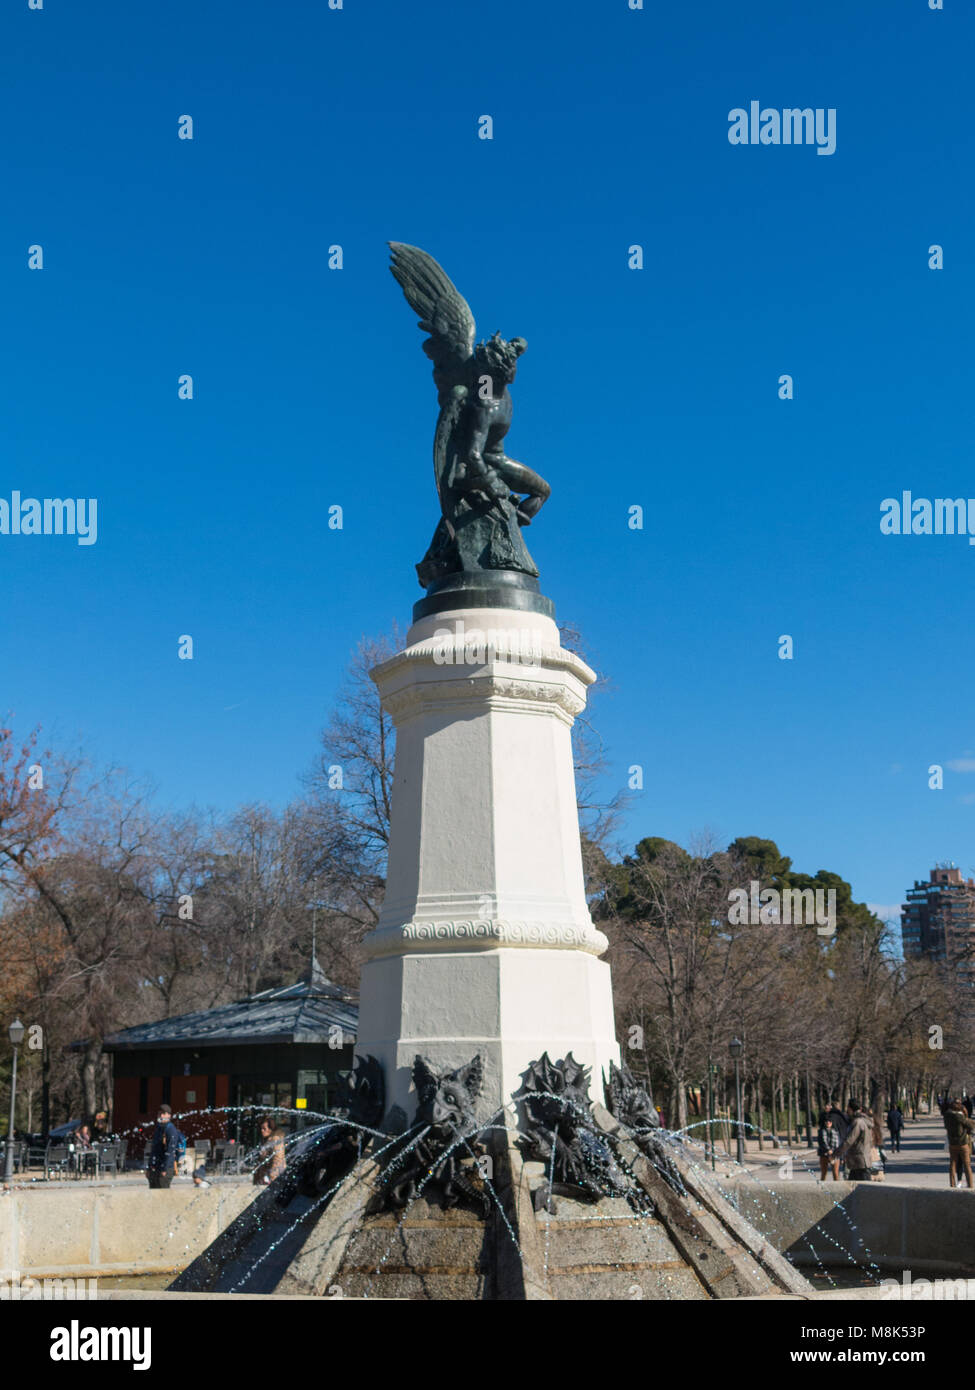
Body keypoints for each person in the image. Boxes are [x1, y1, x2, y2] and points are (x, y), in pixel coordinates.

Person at [146, 1104, 180, 1189]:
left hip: (165, 1168)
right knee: (153, 1193)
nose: (161, 1116)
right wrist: (149, 1167)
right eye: (159, 1114)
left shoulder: (170, 1129)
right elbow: (154, 1149)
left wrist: (165, 1169)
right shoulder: (159, 1128)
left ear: (169, 1115)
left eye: (163, 1114)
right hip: (155, 1168)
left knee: (163, 1195)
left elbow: (170, 1151)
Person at [837, 1101, 873, 1181]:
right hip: (857, 1163)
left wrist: (835, 1154)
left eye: (848, 1108)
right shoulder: (862, 1121)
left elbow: (849, 1141)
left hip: (860, 1162)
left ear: (850, 1109)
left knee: (863, 1190)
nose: (847, 1111)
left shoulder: (858, 1122)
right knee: (853, 1190)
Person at [944, 1099, 975, 1190]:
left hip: (952, 1143)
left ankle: (952, 1184)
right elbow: (970, 1125)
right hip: (962, 1143)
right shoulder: (959, 1117)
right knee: (967, 1164)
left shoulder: (946, 1116)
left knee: (952, 1164)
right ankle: (970, 1184)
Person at [253, 1117, 287, 1186]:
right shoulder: (266, 1140)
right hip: (266, 1178)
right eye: (261, 1128)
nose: (262, 1130)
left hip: (274, 1178)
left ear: (271, 1129)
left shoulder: (276, 1140)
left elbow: (278, 1159)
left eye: (264, 1128)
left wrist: (273, 1178)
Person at [817, 1111, 841, 1181]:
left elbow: (838, 1144)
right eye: (826, 1121)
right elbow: (822, 1143)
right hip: (824, 1154)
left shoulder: (836, 1131)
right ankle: (822, 1190)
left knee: (836, 1174)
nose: (828, 1123)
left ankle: (837, 1189)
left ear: (832, 1122)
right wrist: (828, 1150)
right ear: (824, 1122)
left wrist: (834, 1152)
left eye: (830, 1121)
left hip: (835, 1154)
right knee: (824, 1174)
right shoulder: (821, 1131)